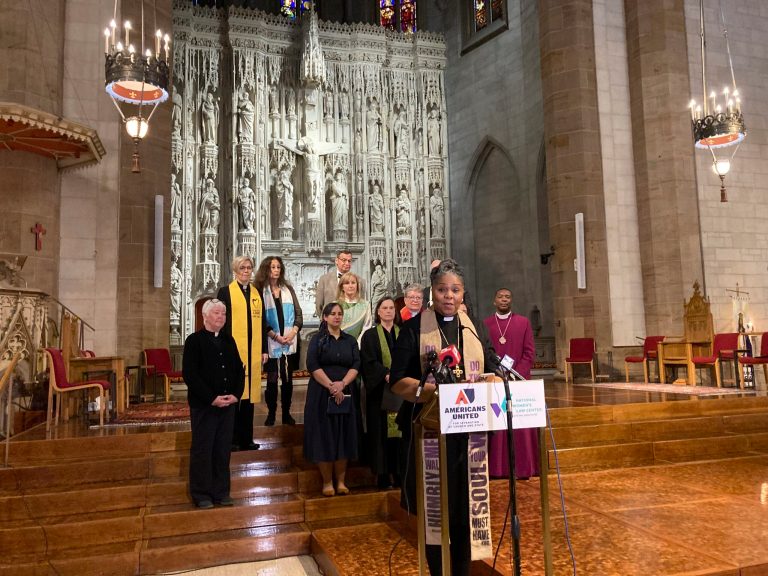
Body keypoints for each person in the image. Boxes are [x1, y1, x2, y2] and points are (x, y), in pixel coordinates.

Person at [390, 259, 495, 576]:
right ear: (432, 292)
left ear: (463, 293)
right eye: (442, 289)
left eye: (455, 289)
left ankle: (462, 570)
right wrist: (432, 392)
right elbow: (398, 381)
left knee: (465, 510)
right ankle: (437, 571)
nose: (449, 295)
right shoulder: (412, 329)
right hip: (429, 433)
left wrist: (492, 384)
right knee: (435, 510)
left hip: (468, 436)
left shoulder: (474, 327)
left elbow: (493, 371)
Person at [182, 299, 244, 509]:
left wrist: (236, 394)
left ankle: (221, 492)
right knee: (203, 449)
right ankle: (201, 494)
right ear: (205, 316)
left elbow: (238, 369)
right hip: (205, 406)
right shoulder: (194, 341)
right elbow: (190, 375)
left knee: (222, 449)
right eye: (217, 313)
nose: (221, 317)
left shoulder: (229, 340)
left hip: (228, 405)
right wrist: (212, 398)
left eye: (224, 314)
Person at [303, 303, 360, 497]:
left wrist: (342, 384)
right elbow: (312, 364)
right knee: (324, 437)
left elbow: (356, 364)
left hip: (345, 392)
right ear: (325, 317)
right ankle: (327, 482)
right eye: (333, 314)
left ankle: (341, 482)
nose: (337, 317)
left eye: (339, 314)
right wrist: (331, 386)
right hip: (321, 393)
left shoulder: (350, 340)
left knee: (343, 436)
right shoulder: (317, 340)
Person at [483, 288, 539, 479]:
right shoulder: (486, 324)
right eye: (500, 297)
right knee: (498, 424)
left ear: (511, 300)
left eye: (507, 297)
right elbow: (485, 354)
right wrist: (498, 374)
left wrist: (516, 374)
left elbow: (529, 352)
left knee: (520, 426)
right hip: (496, 382)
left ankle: (523, 467)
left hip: (519, 382)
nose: (504, 300)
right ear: (494, 301)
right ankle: (498, 468)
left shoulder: (523, 322)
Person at [216, 256, 269, 451]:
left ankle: (247, 439)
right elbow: (221, 322)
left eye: (249, 267)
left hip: (253, 353)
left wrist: (264, 349)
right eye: (243, 268)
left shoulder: (256, 293)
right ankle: (231, 440)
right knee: (233, 397)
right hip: (233, 354)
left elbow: (262, 323)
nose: (247, 271)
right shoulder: (225, 292)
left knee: (249, 399)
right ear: (235, 271)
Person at [254, 256, 303, 427]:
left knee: (287, 380)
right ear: (266, 269)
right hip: (271, 342)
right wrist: (275, 336)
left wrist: (293, 332)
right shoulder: (259, 290)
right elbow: (259, 319)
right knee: (272, 380)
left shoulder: (287, 289)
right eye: (272, 267)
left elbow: (298, 313)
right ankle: (271, 413)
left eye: (278, 267)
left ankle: (287, 413)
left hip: (289, 342)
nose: (276, 270)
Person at [360, 297, 402, 489]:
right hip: (379, 394)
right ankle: (383, 476)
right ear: (378, 312)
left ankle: (400, 474)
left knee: (400, 434)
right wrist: (385, 374)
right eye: (384, 308)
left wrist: (399, 376)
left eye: (391, 308)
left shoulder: (404, 333)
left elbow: (408, 359)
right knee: (380, 436)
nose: (388, 311)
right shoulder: (370, 336)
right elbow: (368, 362)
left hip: (402, 391)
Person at [315, 250, 354, 318]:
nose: (347, 263)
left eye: (349, 261)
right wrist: (324, 320)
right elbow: (319, 305)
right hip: (329, 325)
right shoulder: (324, 279)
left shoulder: (357, 281)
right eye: (344, 260)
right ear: (336, 261)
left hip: (350, 324)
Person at [337, 272, 372, 343]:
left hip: (359, 346)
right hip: (338, 346)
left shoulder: (365, 305)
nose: (350, 286)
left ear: (357, 286)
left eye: (353, 283)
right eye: (347, 283)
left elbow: (366, 327)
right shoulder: (335, 305)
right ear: (342, 287)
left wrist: (357, 344)